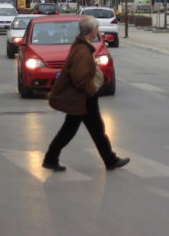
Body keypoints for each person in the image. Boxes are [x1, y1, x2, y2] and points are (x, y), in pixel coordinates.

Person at [43, 15, 130, 172]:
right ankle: (109, 160)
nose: (98, 30)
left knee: (78, 129)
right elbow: (79, 78)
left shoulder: (81, 45)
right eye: (96, 28)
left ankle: (51, 158)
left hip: (81, 97)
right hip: (83, 97)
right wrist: (92, 90)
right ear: (91, 31)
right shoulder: (83, 50)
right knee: (92, 129)